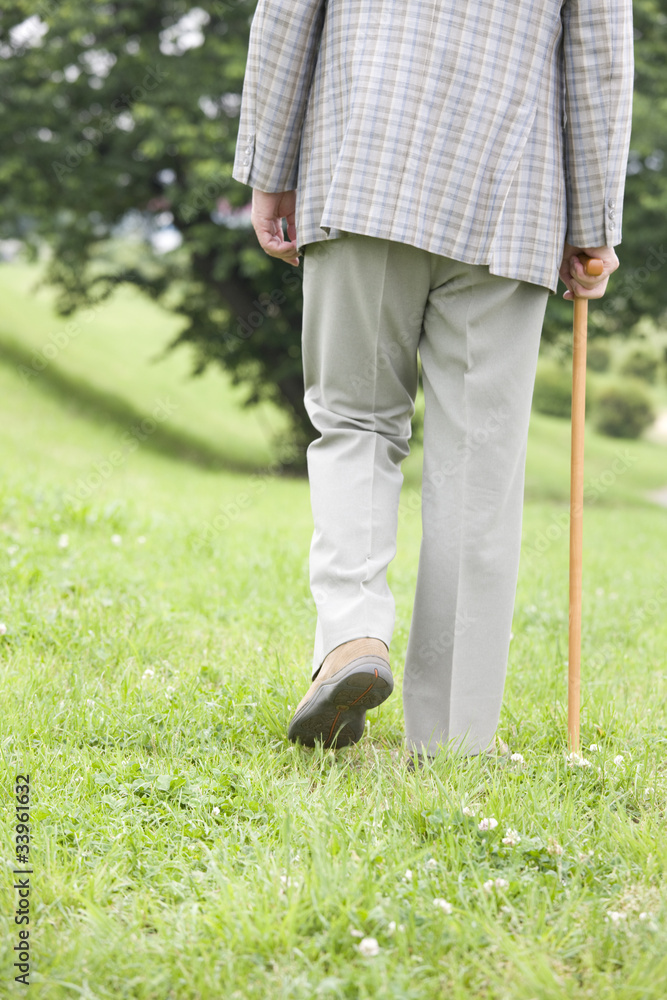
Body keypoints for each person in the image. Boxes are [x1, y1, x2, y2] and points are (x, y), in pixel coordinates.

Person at [232, 0, 634, 761]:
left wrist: (269, 169)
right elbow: (598, 54)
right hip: (511, 196)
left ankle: (352, 637)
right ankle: (452, 735)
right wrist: (592, 224)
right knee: (477, 465)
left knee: (354, 421)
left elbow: (287, 12)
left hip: (363, 159)